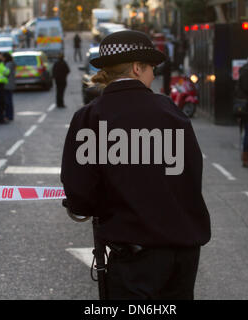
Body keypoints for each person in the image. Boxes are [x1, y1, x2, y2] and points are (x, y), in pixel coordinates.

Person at [61, 30, 211, 300]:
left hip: (134, 257)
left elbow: (80, 194)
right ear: (137, 67)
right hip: (183, 253)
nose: (153, 75)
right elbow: (191, 175)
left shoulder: (90, 118)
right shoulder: (170, 112)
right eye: (151, 68)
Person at [3, 52, 15, 121]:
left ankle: (9, 115)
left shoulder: (8, 64)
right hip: (10, 84)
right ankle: (9, 115)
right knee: (9, 101)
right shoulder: (11, 64)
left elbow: (5, 73)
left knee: (7, 101)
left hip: (7, 85)